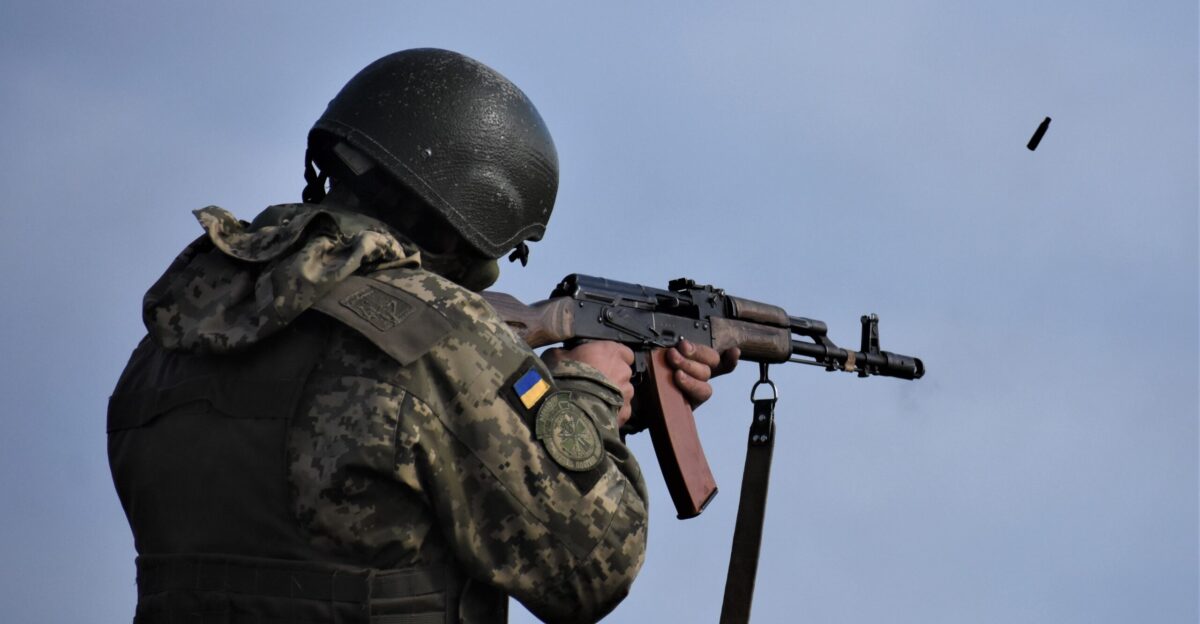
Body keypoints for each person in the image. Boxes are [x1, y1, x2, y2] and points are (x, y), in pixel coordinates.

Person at [108, 48, 734, 624]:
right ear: (479, 206)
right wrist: (588, 390)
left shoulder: (175, 336)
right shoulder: (437, 336)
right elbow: (592, 564)